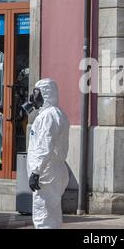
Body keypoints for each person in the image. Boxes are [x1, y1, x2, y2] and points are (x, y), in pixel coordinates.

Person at [24, 78, 70, 229]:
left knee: (43, 213)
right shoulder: (56, 113)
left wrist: (36, 171)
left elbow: (45, 147)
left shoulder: (48, 116)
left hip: (46, 172)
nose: (33, 97)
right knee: (53, 212)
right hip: (53, 169)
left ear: (46, 94)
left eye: (36, 93)